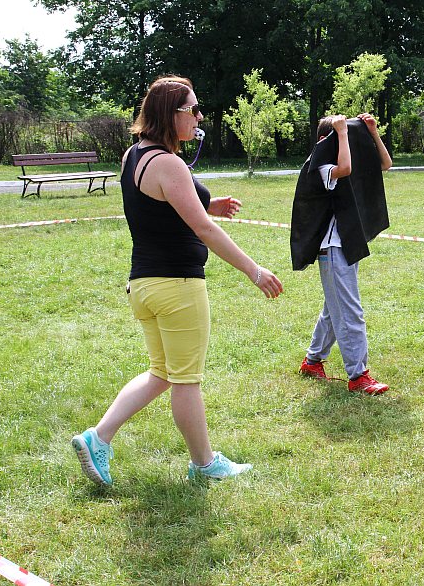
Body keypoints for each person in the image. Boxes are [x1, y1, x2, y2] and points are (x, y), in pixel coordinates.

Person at [72, 75, 283, 486]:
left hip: (145, 287)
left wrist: (210, 202)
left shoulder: (135, 156)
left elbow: (165, 201)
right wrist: (254, 270)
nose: (199, 117)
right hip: (178, 286)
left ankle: (97, 437)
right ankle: (205, 465)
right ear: (170, 114)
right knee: (186, 379)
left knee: (162, 373)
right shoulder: (168, 162)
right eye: (193, 109)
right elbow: (202, 229)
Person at [297, 113, 392, 395]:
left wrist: (372, 133)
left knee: (333, 308)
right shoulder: (320, 167)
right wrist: (340, 133)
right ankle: (358, 376)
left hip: (348, 245)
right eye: (346, 137)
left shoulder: (347, 156)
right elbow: (346, 168)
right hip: (332, 248)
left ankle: (312, 361)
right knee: (349, 311)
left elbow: (386, 164)